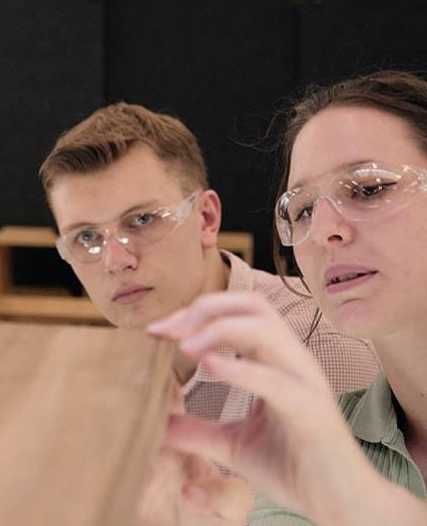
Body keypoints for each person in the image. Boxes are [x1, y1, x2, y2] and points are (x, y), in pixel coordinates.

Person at [149, 70, 427, 524]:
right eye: (301, 210)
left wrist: (359, 501)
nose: (321, 231)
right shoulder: (320, 440)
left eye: (369, 188)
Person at [39, 103, 378, 424]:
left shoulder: (317, 350)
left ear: (206, 218)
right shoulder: (99, 374)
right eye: (86, 237)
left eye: (142, 220)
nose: (116, 261)